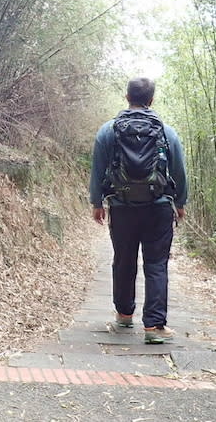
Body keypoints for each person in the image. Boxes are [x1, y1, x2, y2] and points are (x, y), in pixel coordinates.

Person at [89, 77, 188, 344]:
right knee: (156, 264)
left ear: (126, 97)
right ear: (151, 100)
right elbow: (178, 170)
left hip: (122, 207)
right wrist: (180, 203)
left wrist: (97, 202)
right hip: (158, 208)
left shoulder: (109, 131)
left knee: (124, 259)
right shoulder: (167, 132)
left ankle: (124, 315)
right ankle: (154, 328)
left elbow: (98, 169)